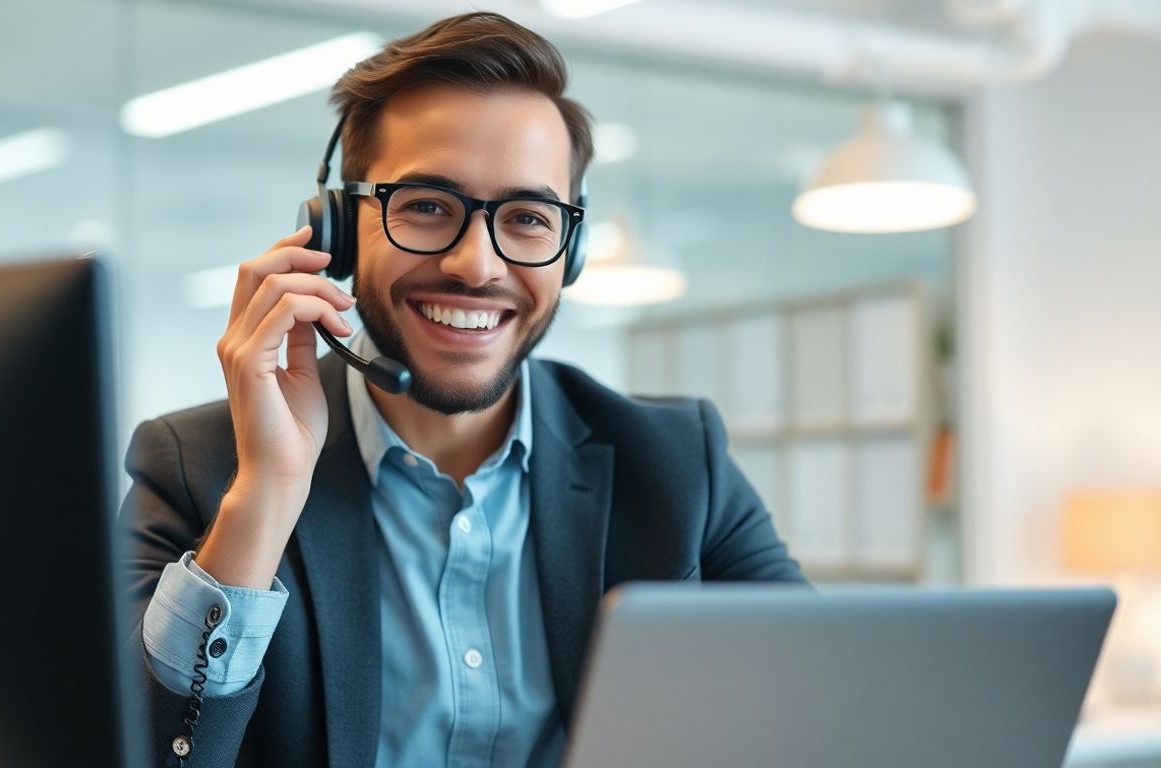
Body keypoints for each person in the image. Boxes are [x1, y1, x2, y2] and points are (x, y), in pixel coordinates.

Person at [119, 11, 806, 768]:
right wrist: (269, 494)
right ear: (337, 232)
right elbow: (143, 754)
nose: (477, 265)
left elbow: (825, 711)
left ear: (568, 251)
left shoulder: (678, 462)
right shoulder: (194, 469)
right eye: (425, 206)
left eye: (527, 217)